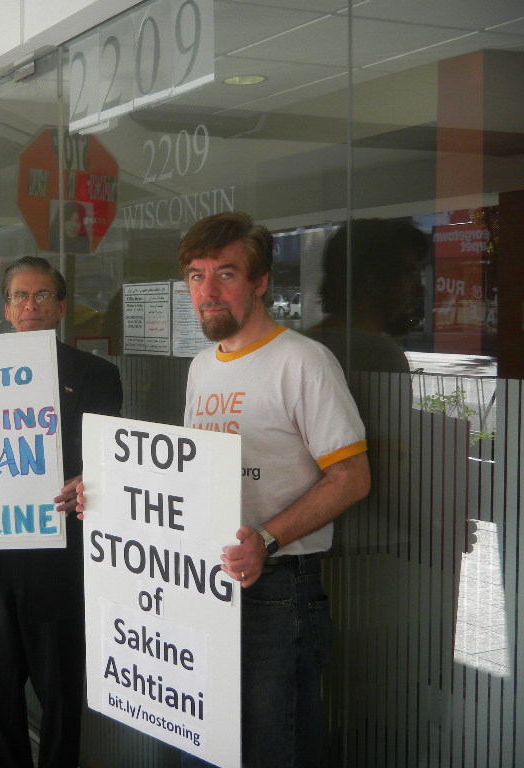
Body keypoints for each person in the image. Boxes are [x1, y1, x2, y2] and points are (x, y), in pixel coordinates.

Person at [78, 212, 370, 767]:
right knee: (201, 747)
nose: (207, 292)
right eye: (195, 276)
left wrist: (266, 538)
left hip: (278, 594)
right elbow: (191, 479)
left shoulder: (302, 362)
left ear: (260, 282)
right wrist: (102, 488)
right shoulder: (201, 367)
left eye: (226, 274)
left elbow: (352, 477)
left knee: (270, 751)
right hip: (203, 588)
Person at [0, 256, 122, 768]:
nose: (31, 305)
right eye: (20, 297)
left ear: (61, 308)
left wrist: (89, 481)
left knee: (62, 701)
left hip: (58, 564)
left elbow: (111, 462)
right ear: (6, 309)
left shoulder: (95, 375)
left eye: (43, 296)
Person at [304, 218, 428, 374]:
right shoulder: (380, 355)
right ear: (374, 281)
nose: (420, 291)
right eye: (410, 275)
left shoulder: (298, 345)